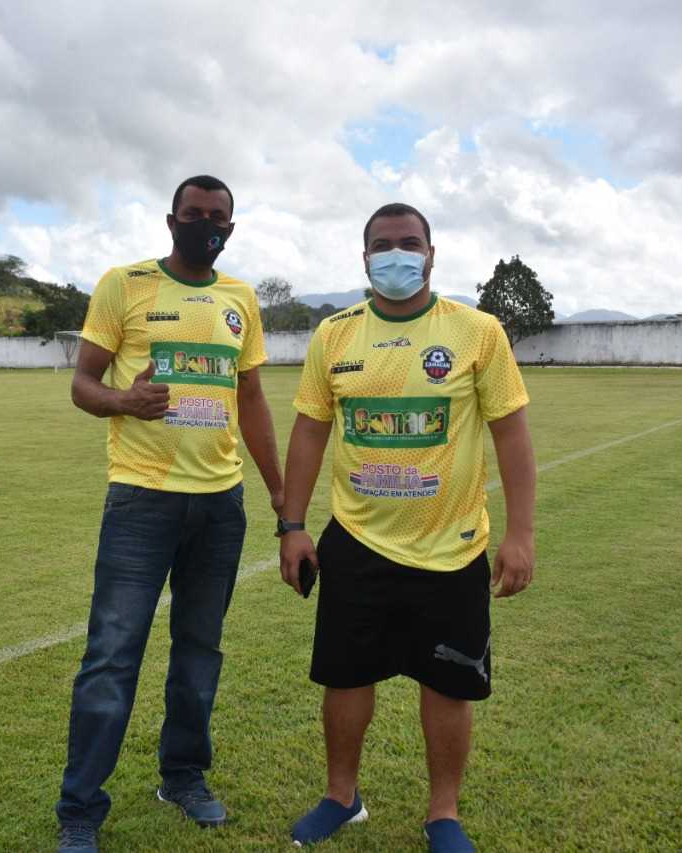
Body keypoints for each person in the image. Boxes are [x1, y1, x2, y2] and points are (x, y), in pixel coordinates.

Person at [278, 203, 536, 852]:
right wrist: (292, 525)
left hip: (452, 547)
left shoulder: (477, 332)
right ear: (365, 258)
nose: (398, 254)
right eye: (384, 245)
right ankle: (341, 797)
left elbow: (511, 434)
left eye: (410, 243)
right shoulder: (334, 335)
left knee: (447, 684)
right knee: (345, 677)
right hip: (356, 540)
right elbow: (309, 431)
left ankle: (442, 813)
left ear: (431, 254)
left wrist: (520, 534)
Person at [55, 176, 284, 853]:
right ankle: (80, 810)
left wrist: (280, 494)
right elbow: (83, 383)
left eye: (217, 217)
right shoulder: (124, 285)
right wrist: (122, 401)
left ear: (230, 229)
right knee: (112, 654)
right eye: (193, 213)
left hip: (220, 504)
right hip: (141, 500)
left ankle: (183, 777)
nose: (204, 224)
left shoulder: (240, 299)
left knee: (199, 651)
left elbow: (251, 400)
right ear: (171, 220)